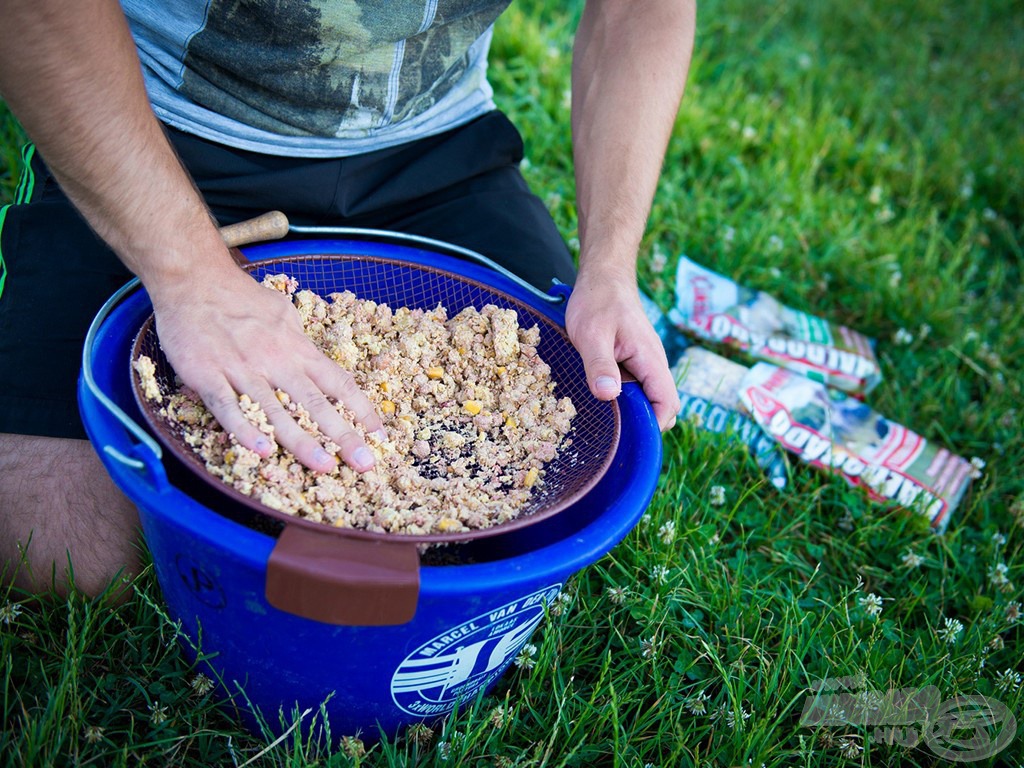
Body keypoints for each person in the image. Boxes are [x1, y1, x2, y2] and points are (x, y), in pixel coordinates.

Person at [0, 0, 694, 597]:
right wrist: (188, 275)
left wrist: (609, 264)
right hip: (163, 126)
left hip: (433, 147)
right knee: (65, 550)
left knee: (553, 501)